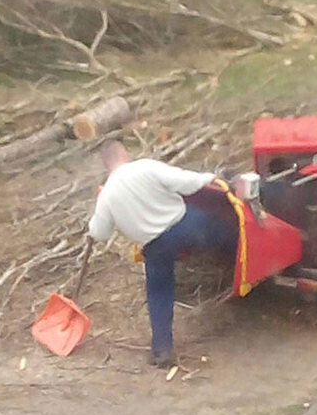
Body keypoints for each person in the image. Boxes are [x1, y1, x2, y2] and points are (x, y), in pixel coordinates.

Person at [88, 140, 238, 368]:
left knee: (158, 292)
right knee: (224, 234)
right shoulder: (145, 167)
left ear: (105, 165)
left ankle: (162, 350)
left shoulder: (107, 195)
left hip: (155, 245)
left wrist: (94, 220)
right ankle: (242, 262)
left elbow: (100, 233)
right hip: (183, 224)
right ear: (124, 154)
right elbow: (185, 182)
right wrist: (210, 178)